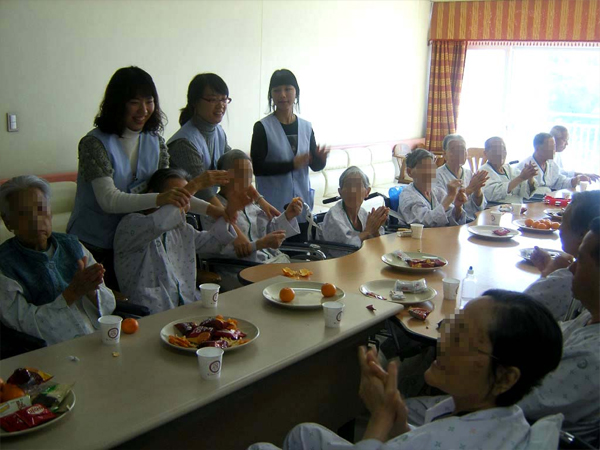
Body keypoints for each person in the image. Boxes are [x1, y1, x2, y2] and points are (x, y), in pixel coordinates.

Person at [249, 290, 564, 450]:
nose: (442, 341)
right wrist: (398, 420)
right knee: (305, 433)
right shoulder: (506, 420)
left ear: (506, 377)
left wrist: (380, 417)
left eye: (461, 338)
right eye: (450, 327)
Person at [67, 66, 220, 290]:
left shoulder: (156, 142)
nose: (144, 110)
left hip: (138, 243)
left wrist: (213, 211)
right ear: (117, 103)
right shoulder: (94, 143)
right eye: (134, 102)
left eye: (149, 101)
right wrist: (161, 198)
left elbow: (173, 194)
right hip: (95, 246)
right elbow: (109, 200)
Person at [0, 176, 116, 346]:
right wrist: (71, 294)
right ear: (8, 222)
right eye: (24, 213)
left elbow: (109, 304)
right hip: (53, 351)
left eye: (41, 209)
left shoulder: (73, 245)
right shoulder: (5, 265)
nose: (35, 219)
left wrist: (92, 291)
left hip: (101, 338)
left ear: (50, 212)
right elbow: (26, 324)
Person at [113, 169, 246, 314]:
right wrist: (195, 185)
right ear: (154, 195)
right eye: (177, 196)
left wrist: (226, 215)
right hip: (151, 315)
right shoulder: (131, 225)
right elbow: (160, 222)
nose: (183, 203)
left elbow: (215, 242)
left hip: (188, 308)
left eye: (187, 198)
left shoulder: (180, 229)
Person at [519, 217, 600, 446]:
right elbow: (550, 336)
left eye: (580, 260)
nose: (571, 269)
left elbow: (508, 400)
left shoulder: (591, 358)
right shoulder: (590, 317)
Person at [251, 69, 329, 241]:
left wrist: (320, 161)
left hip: (301, 205)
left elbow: (313, 165)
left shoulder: (306, 127)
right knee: (277, 252)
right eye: (277, 90)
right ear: (271, 95)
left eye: (288, 89)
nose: (283, 95)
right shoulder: (262, 127)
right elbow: (257, 168)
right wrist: (291, 164)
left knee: (301, 253)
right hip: (274, 207)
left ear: (296, 92)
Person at [201, 150, 303, 265]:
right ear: (224, 177)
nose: (247, 181)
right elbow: (219, 251)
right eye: (242, 175)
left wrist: (288, 215)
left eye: (249, 175)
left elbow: (268, 232)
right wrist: (259, 244)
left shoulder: (250, 203)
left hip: (273, 262)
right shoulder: (212, 210)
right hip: (242, 269)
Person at [524, 191, 600, 320]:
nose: (559, 228)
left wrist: (548, 275)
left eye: (563, 221)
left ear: (583, 235)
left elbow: (517, 311)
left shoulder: (568, 278)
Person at [397, 149, 467, 227]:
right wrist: (449, 197)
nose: (430, 173)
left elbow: (450, 217)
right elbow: (425, 222)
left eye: (432, 168)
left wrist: (458, 207)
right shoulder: (407, 196)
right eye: (424, 168)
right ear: (409, 172)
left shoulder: (437, 191)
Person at [319, 167, 389, 246]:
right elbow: (344, 249)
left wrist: (375, 229)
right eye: (348, 186)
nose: (352, 191)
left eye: (358, 186)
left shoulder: (363, 213)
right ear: (340, 192)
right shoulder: (333, 216)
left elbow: (377, 245)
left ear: (367, 192)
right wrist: (368, 231)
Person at [434, 134, 488, 222]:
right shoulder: (437, 176)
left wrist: (477, 191)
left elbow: (481, 207)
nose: (460, 153)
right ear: (445, 154)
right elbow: (443, 208)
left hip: (473, 222)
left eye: (463, 149)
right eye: (454, 150)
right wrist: (469, 189)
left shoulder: (469, 173)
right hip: (452, 225)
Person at [516, 132, 587, 195]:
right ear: (538, 148)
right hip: (530, 202)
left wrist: (574, 180)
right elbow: (522, 192)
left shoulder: (552, 164)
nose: (554, 150)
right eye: (550, 147)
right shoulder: (524, 166)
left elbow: (559, 181)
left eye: (554, 146)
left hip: (547, 201)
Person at [480, 137, 538, 203]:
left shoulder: (509, 169)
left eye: (503, 149)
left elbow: (525, 192)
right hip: (496, 208)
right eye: (496, 150)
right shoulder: (483, 172)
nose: (500, 153)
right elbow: (491, 194)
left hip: (517, 207)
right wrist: (520, 178)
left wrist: (530, 177)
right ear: (485, 153)